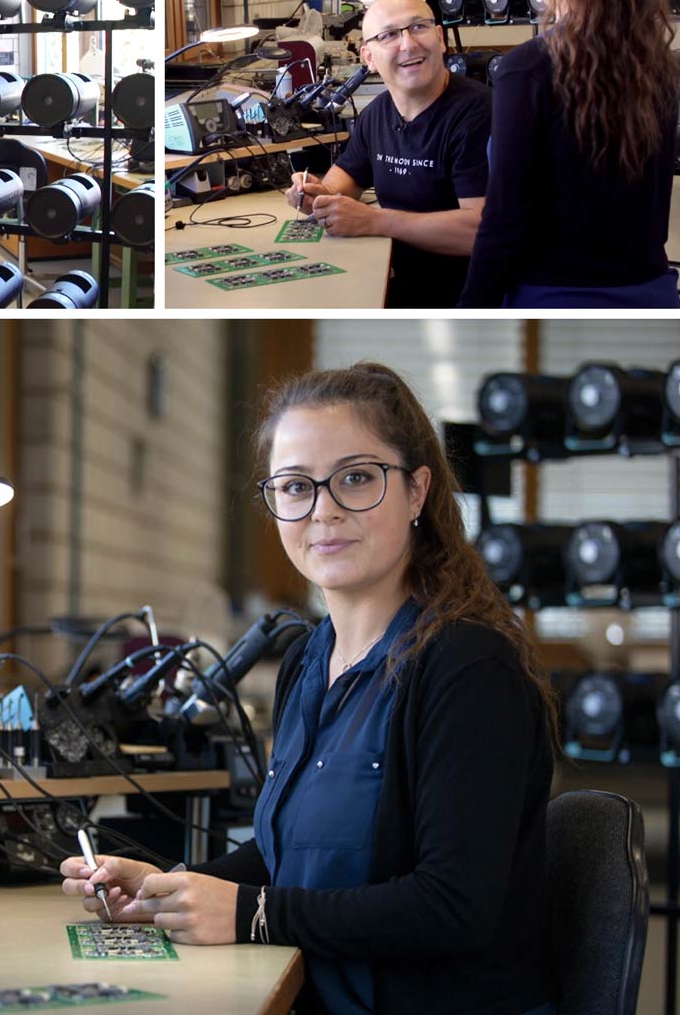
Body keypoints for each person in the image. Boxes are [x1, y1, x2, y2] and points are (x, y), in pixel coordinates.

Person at [60, 363, 558, 1015]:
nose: (323, 510)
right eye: (296, 487)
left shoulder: (468, 669)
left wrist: (251, 913)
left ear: (417, 491)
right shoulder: (308, 659)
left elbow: (452, 908)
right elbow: (284, 856)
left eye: (356, 478)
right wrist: (173, 888)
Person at [461, 0, 678, 308]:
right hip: (652, 296)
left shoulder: (526, 69)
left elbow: (504, 224)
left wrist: (470, 316)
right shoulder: (657, 65)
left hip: (557, 303)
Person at [285, 0, 492, 308]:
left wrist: (374, 220)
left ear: (440, 39)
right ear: (368, 57)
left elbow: (481, 232)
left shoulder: (478, 114)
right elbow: (341, 183)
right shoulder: (377, 113)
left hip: (465, 299)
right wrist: (316, 196)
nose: (408, 44)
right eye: (389, 35)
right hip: (398, 283)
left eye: (418, 27)